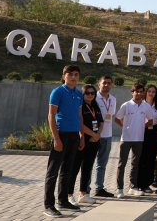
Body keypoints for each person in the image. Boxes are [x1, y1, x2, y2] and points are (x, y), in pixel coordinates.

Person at [43, 65, 84, 218]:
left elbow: (80, 117)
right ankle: (48, 205)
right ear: (64, 76)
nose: (73, 77)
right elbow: (51, 116)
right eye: (70, 74)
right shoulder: (57, 92)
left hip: (74, 136)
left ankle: (63, 201)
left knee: (67, 170)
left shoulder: (79, 94)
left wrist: (82, 135)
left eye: (76, 74)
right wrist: (56, 138)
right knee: (52, 172)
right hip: (61, 135)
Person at [114, 82, 155, 198]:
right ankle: (119, 189)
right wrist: (124, 126)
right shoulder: (126, 105)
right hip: (126, 139)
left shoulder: (146, 106)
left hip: (139, 139)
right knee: (122, 164)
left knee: (135, 164)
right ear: (132, 92)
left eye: (141, 91)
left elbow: (150, 121)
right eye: (137, 91)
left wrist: (142, 126)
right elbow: (117, 118)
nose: (139, 93)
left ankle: (133, 187)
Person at [67, 84, 103, 205]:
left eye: (93, 93)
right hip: (82, 141)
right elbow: (79, 124)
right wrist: (93, 134)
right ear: (83, 94)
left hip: (94, 142)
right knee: (75, 168)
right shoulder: (80, 106)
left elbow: (101, 122)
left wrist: (97, 135)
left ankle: (83, 194)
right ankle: (69, 195)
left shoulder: (95, 106)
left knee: (87, 169)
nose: (90, 95)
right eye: (87, 93)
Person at [93, 75, 116, 198]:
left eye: (109, 83)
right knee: (89, 163)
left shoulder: (113, 99)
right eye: (104, 83)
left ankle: (99, 188)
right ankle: (85, 189)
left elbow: (110, 116)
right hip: (94, 135)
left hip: (107, 135)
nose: (106, 85)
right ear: (99, 84)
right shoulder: (93, 97)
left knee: (102, 164)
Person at [138, 84, 157, 193]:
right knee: (141, 158)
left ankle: (147, 184)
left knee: (151, 159)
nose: (151, 93)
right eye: (149, 91)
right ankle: (139, 184)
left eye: (154, 92)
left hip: (153, 133)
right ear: (145, 92)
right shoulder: (141, 104)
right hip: (142, 131)